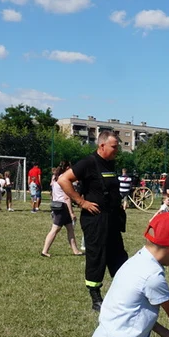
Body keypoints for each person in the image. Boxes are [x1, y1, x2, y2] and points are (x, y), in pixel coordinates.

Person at [58, 131, 129, 312]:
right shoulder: (88, 163)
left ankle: (124, 292)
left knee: (118, 255)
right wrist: (81, 202)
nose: (117, 150)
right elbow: (63, 179)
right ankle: (96, 297)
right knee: (97, 256)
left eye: (118, 146)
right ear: (102, 146)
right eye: (114, 146)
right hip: (95, 219)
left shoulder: (110, 163)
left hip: (112, 218)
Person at [41, 162, 84, 257]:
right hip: (62, 207)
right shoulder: (65, 179)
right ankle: (44, 251)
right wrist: (71, 213)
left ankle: (75, 250)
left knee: (70, 229)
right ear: (67, 168)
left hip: (55, 204)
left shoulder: (54, 177)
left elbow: (53, 192)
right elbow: (67, 197)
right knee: (55, 229)